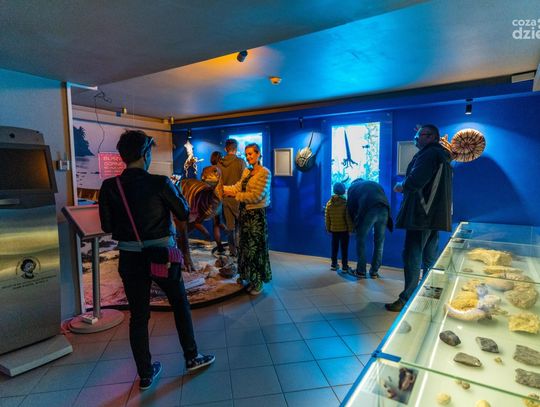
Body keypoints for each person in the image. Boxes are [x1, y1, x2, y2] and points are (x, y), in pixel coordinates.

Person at [99, 130, 214, 390]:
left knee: (138, 316)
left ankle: (145, 374)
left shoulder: (110, 187)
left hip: (129, 258)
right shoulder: (160, 183)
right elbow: (183, 213)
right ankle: (192, 357)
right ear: (145, 154)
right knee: (180, 304)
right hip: (163, 256)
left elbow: (107, 225)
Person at [385, 124, 452, 312]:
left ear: (431, 137)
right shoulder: (442, 156)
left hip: (421, 215)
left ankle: (406, 299)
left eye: (419, 135)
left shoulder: (429, 154)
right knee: (429, 258)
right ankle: (428, 296)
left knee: (412, 256)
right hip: (435, 217)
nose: (416, 138)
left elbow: (415, 181)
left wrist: (401, 186)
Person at [223, 143, 271, 295]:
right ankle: (249, 278)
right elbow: (237, 187)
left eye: (251, 153)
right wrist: (222, 188)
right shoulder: (246, 171)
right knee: (244, 248)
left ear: (258, 154)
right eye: (246, 154)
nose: (248, 157)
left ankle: (258, 282)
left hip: (256, 216)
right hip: (244, 214)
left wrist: (235, 195)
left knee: (254, 250)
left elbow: (257, 196)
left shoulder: (265, 173)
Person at [346, 178, 393, 279]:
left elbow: (350, 208)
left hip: (368, 210)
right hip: (384, 210)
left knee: (361, 240)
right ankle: (374, 272)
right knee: (379, 242)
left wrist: (353, 226)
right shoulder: (374, 184)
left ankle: (361, 271)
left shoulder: (352, 187)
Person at [218, 139, 246, 257]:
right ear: (236, 149)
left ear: (225, 149)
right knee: (240, 226)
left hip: (225, 199)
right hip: (237, 198)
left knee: (230, 227)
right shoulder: (241, 162)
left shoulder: (219, 164)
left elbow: (218, 183)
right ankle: (241, 251)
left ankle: (232, 251)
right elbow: (244, 182)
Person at [324, 182, 353, 272]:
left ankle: (333, 264)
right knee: (344, 248)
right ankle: (345, 267)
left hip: (334, 229)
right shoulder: (345, 203)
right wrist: (350, 229)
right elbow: (348, 218)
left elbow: (327, 218)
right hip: (344, 230)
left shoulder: (329, 203)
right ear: (343, 191)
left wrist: (328, 228)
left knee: (334, 247)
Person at [201, 151, 225, 253]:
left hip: (210, 200)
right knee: (218, 223)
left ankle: (219, 246)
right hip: (220, 200)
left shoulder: (206, 169)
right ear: (220, 158)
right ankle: (225, 244)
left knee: (216, 224)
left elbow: (203, 181)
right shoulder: (219, 170)